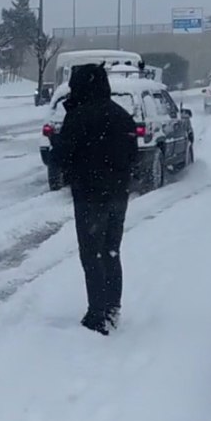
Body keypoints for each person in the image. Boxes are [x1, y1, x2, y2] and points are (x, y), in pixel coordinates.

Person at [51, 64, 139, 335]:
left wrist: (60, 143)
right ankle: (112, 307)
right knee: (112, 251)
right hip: (117, 193)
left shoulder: (78, 117)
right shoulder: (122, 115)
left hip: (89, 194)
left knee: (92, 253)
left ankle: (96, 313)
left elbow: (62, 157)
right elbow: (132, 156)